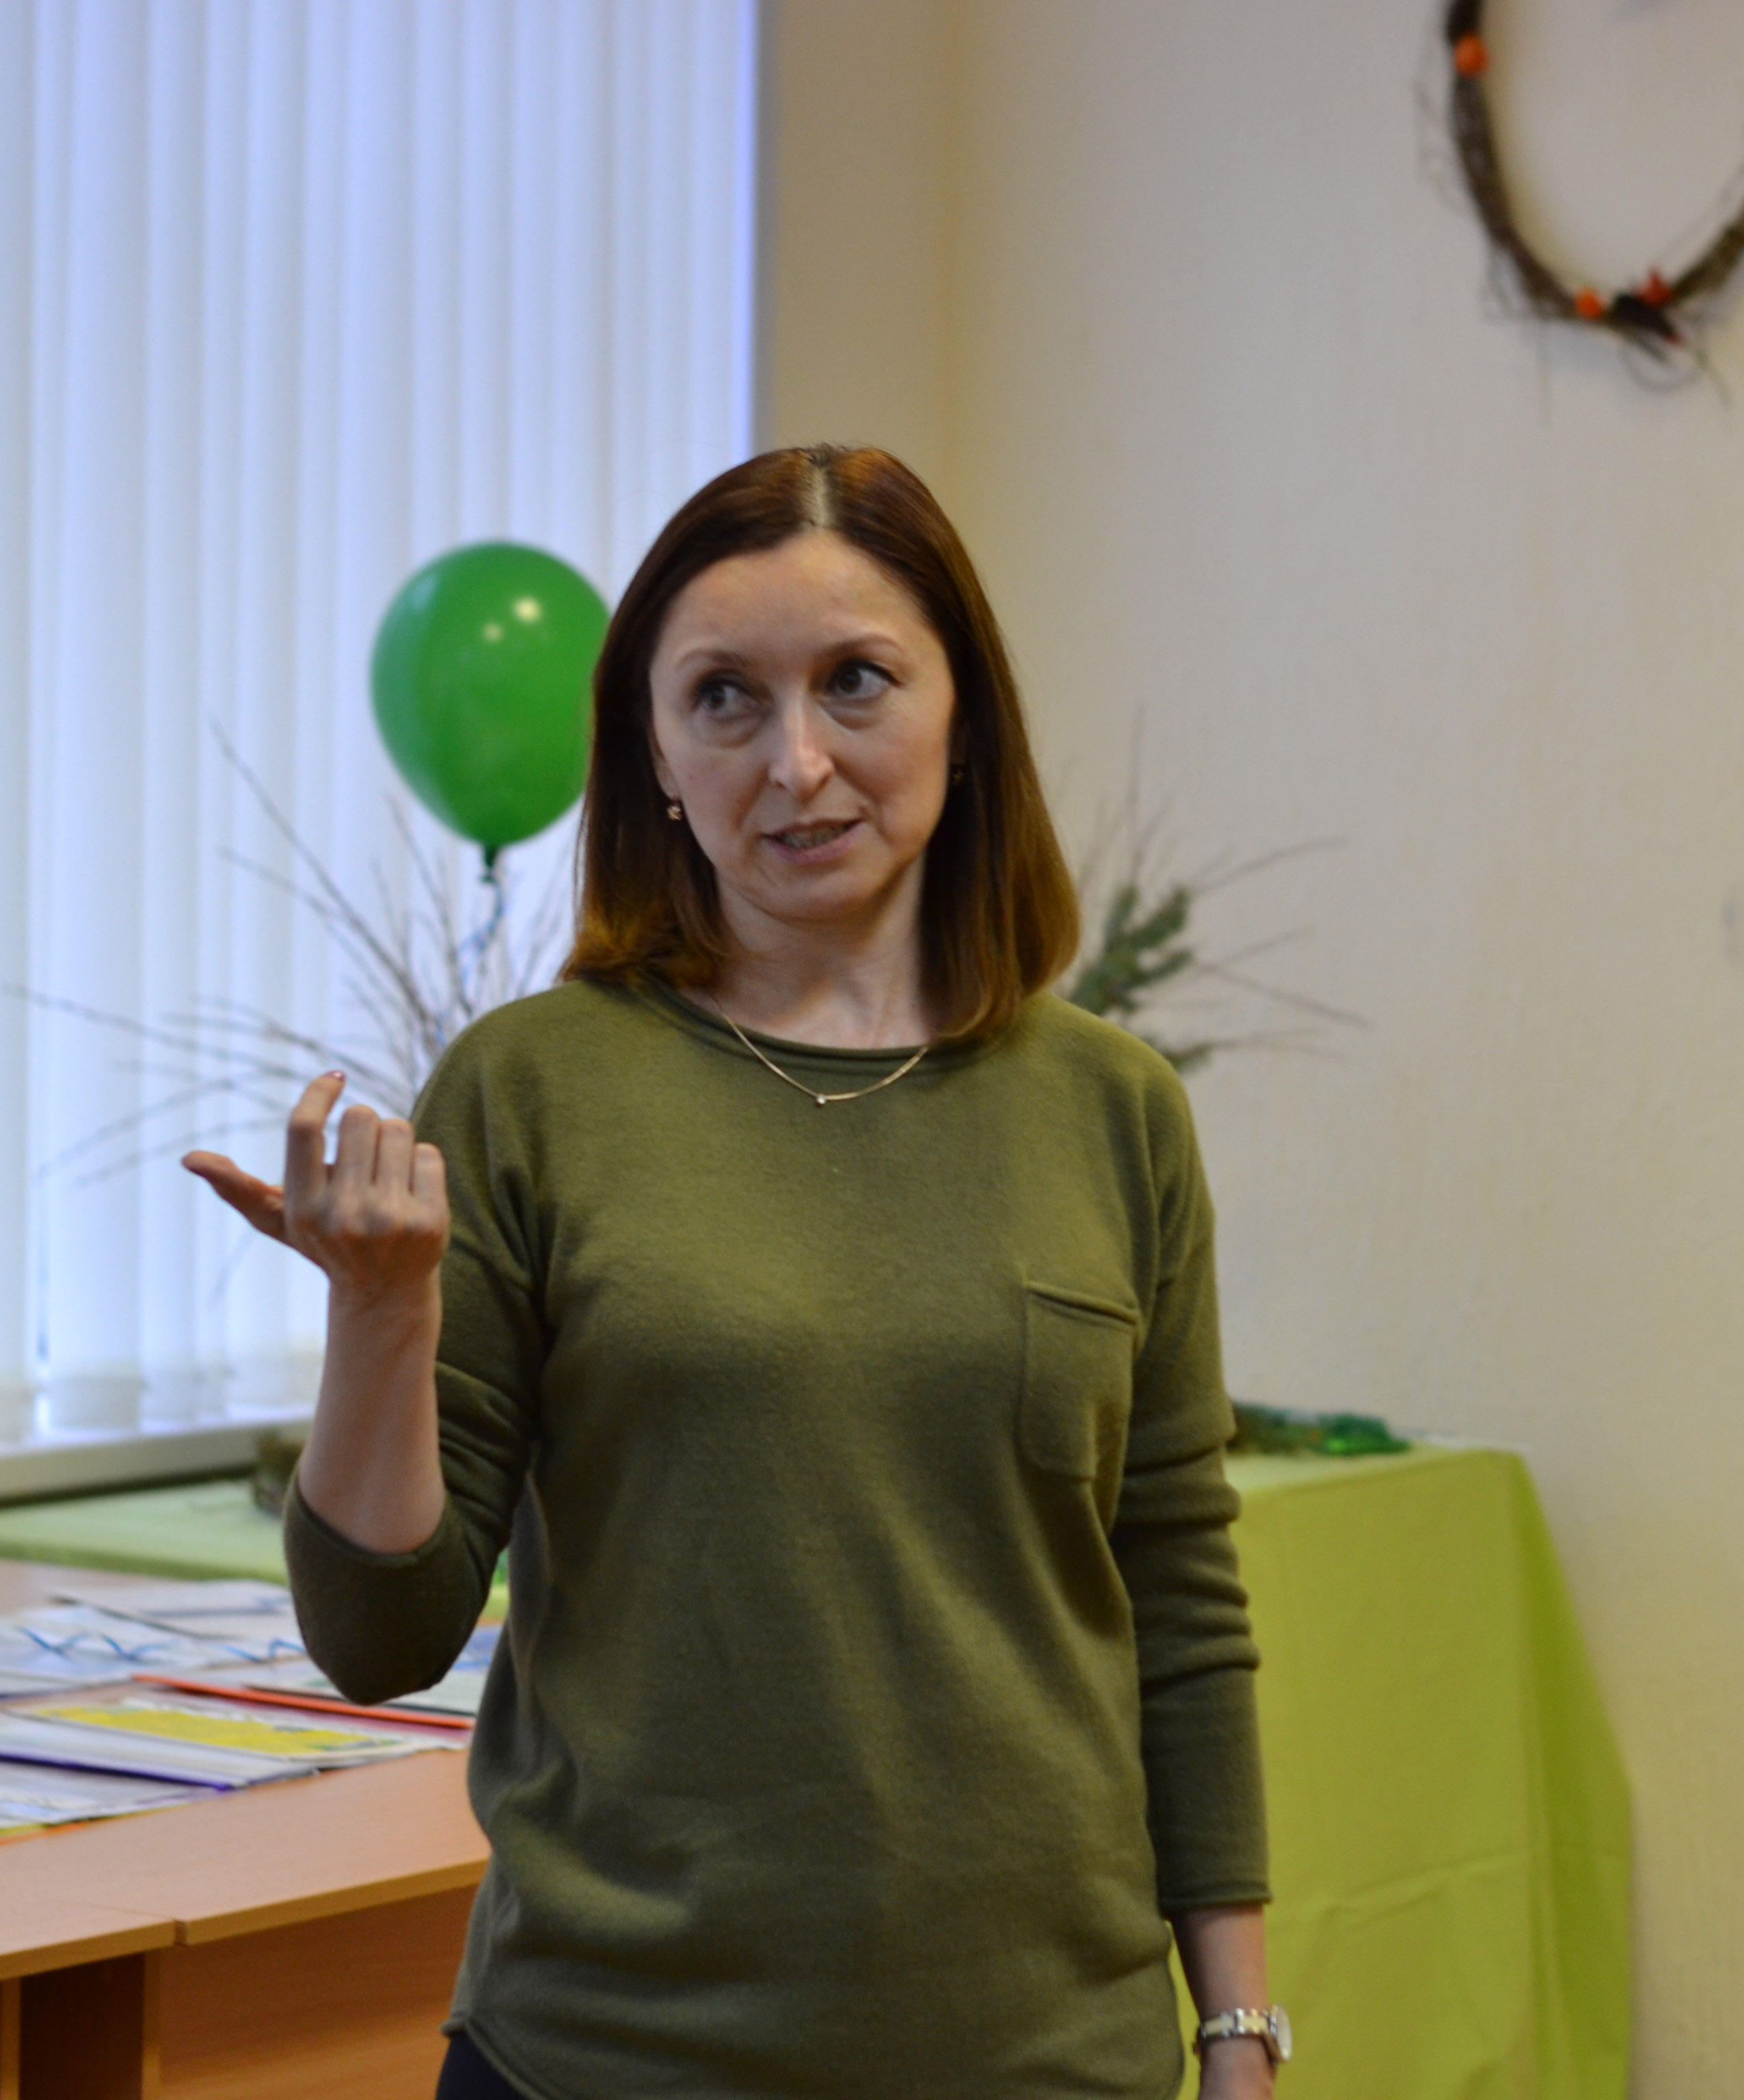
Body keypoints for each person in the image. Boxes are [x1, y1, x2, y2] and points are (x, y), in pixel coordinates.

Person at [186, 446, 1284, 2099]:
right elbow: (380, 1637)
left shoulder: (1112, 1108)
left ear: (966, 713)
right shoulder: (532, 1088)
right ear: (654, 752)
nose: (798, 762)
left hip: (1054, 2059)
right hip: (607, 2055)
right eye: (723, 699)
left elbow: (1178, 1600)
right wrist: (382, 1313)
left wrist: (1239, 2031)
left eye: (857, 682)